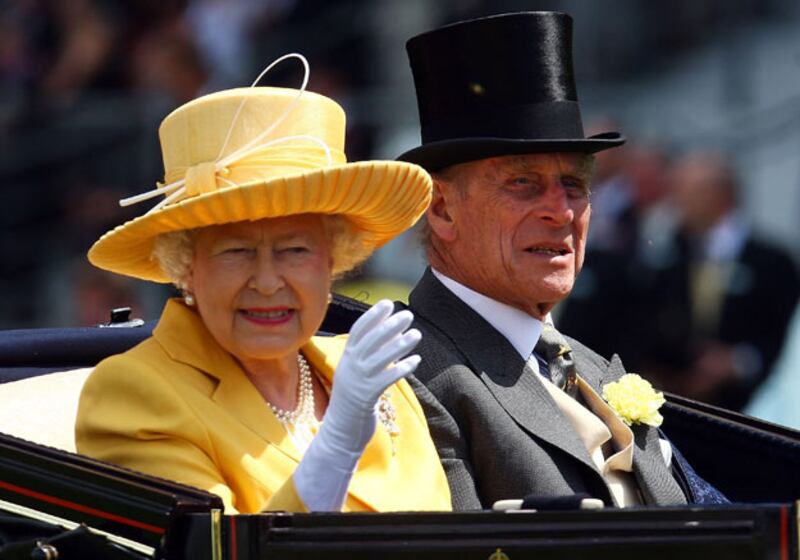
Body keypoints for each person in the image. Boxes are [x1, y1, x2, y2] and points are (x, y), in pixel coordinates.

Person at [75, 56, 451, 514]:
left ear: (332, 261)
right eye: (236, 252)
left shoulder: (371, 375)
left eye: (295, 250)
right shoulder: (133, 392)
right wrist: (336, 446)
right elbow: (213, 545)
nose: (269, 282)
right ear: (186, 267)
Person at [396, 12, 726, 510]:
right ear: (442, 209)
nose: (562, 210)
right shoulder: (410, 378)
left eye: (574, 184)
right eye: (522, 182)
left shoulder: (590, 367)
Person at [634, 150, 799, 410]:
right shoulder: (671, 253)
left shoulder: (772, 261)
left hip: (753, 409)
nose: (676, 204)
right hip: (683, 404)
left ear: (719, 195)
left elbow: (784, 338)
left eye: (685, 193)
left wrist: (737, 363)